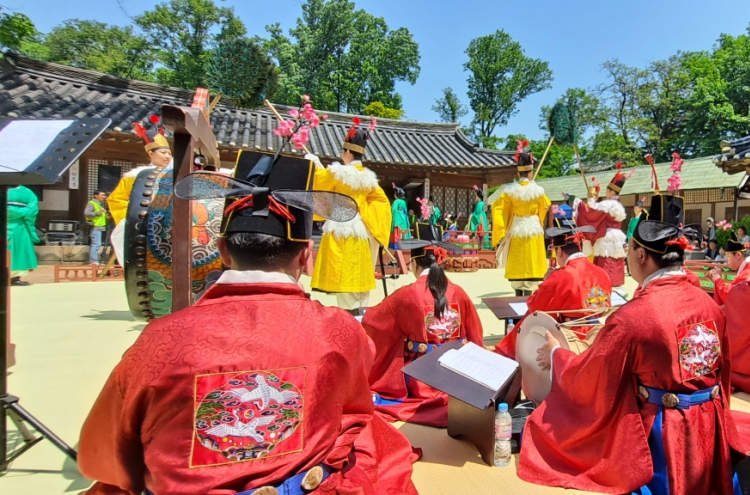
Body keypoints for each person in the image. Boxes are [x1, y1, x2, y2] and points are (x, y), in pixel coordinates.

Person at [78, 151, 419, 495]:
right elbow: (356, 412)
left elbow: (104, 456)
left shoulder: (158, 341)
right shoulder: (339, 329)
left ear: (223, 250)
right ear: (306, 255)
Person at [521, 220, 747, 494]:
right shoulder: (709, 305)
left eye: (629, 249)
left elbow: (593, 373)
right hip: (710, 424)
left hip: (664, 433)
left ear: (641, 255)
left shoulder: (634, 317)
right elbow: (722, 371)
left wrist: (557, 353)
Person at [363, 224, 483, 427]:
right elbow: (475, 335)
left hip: (422, 378)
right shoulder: (458, 292)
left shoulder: (406, 295)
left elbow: (373, 321)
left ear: (414, 263)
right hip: (458, 375)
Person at [494, 226, 612, 360]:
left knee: (530, 318)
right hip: (599, 333)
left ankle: (509, 350)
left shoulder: (561, 276)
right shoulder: (602, 273)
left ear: (560, 251)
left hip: (572, 338)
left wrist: (546, 280)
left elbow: (535, 306)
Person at [309, 118, 391, 310]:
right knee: (360, 279)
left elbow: (319, 185)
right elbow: (382, 203)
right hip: (361, 232)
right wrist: (371, 223)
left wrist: (315, 165)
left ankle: (349, 320)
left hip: (341, 228)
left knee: (345, 280)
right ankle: (361, 317)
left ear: (346, 152)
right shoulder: (369, 179)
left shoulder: (337, 173)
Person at [107, 121, 172, 266]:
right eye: (163, 153)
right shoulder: (135, 175)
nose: (167, 156)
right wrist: (134, 220)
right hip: (142, 225)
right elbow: (117, 200)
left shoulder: (174, 175)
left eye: (169, 153)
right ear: (151, 154)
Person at [492, 142, 550, 296]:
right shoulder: (538, 191)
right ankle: (529, 298)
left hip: (518, 227)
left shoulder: (510, 191)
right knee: (531, 263)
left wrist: (502, 230)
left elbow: (497, 207)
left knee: (518, 262)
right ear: (531, 173)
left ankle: (518, 296)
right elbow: (546, 205)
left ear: (518, 173)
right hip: (533, 228)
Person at [576, 163, 631, 296]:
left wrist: (583, 205)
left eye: (607, 191)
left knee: (606, 262)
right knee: (615, 262)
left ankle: (607, 288)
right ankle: (618, 288)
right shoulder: (618, 204)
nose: (606, 193)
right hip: (617, 236)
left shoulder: (609, 203)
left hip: (607, 236)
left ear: (612, 191)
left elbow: (592, 213)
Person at [7, 186, 39, 286]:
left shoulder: (27, 191)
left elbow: (33, 208)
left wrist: (14, 212)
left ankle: (16, 277)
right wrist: (22, 212)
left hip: (21, 227)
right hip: (8, 222)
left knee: (20, 250)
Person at [710, 230, 750, 306]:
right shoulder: (747, 269)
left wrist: (717, 280)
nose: (726, 259)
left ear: (738, 255)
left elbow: (730, 295)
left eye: (728, 256)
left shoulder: (746, 274)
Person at [85, 190, 108, 265]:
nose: (104, 197)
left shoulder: (99, 204)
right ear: (96, 195)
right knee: (96, 244)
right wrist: (99, 212)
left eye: (104, 195)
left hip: (99, 227)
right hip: (95, 227)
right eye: (102, 195)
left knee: (97, 244)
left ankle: (94, 261)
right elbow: (87, 213)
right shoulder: (92, 204)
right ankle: (93, 261)